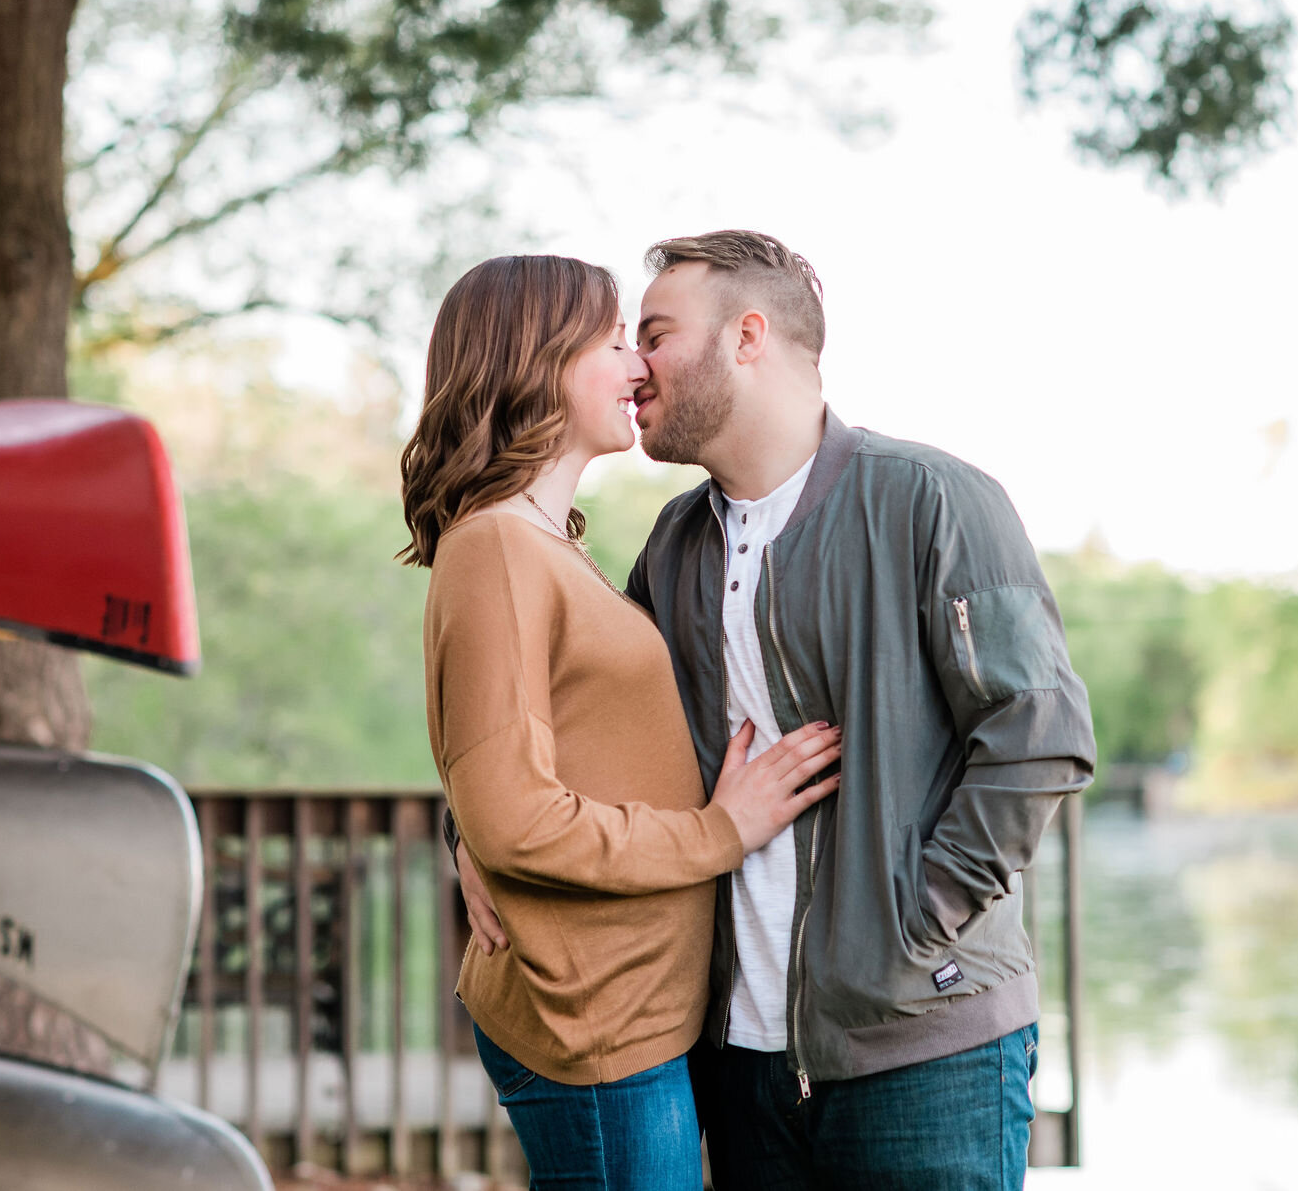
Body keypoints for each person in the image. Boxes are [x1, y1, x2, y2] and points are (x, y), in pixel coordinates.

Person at [458, 232, 1095, 1190]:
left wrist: (914, 919)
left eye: (657, 333)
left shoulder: (932, 500)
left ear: (747, 335)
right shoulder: (674, 545)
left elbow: (1039, 735)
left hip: (921, 1047)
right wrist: (470, 833)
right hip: (736, 1058)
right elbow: (564, 722)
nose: (636, 365)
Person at [401, 253, 843, 1191]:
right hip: (588, 1028)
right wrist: (719, 832)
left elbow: (507, 774)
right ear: (538, 361)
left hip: (628, 1019)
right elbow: (515, 814)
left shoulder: (541, 545)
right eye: (614, 342)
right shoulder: (496, 549)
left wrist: (467, 833)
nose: (639, 366)